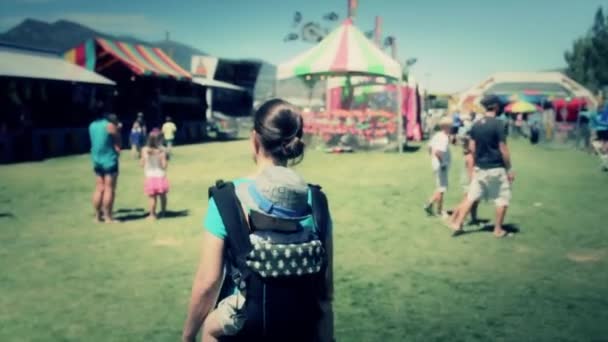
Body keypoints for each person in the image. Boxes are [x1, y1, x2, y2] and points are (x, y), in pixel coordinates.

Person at [182, 99, 334, 342]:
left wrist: (188, 336)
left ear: (255, 139)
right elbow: (324, 290)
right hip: (300, 330)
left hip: (243, 329)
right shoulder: (316, 201)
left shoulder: (226, 199)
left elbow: (208, 282)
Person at [449, 95, 514, 238]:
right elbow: (503, 148)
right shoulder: (499, 124)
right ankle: (497, 230)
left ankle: (457, 223)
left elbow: (472, 147)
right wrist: (509, 169)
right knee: (502, 198)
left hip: (480, 168)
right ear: (496, 107)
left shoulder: (476, 124)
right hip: (496, 167)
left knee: (471, 197)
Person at [89, 112, 121, 223]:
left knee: (99, 188)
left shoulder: (92, 125)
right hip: (109, 160)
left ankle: (97, 216)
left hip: (97, 160)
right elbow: (117, 142)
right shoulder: (109, 125)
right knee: (109, 189)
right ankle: (108, 217)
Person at [424, 116, 452, 217]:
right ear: (446, 127)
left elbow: (429, 147)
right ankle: (439, 211)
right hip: (441, 165)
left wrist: (431, 157)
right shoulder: (444, 137)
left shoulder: (437, 135)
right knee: (442, 188)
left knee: (439, 187)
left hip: (435, 164)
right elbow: (438, 152)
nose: (451, 128)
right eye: (450, 126)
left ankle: (430, 204)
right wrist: (443, 163)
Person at [448, 135, 479, 226]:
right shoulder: (470, 157)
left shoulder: (468, 154)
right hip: (469, 181)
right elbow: (470, 172)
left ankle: (474, 219)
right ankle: (453, 218)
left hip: (466, 180)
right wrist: (473, 183)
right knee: (466, 201)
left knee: (474, 201)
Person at [141, 130, 169, 220]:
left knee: (152, 198)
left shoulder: (144, 150)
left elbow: (142, 164)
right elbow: (164, 166)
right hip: (160, 176)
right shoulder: (162, 150)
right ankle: (164, 212)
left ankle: (152, 215)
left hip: (150, 177)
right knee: (163, 196)